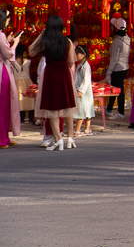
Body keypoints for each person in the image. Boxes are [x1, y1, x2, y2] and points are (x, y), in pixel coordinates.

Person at [30, 15, 76, 151]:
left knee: (53, 109)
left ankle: (58, 140)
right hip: (64, 73)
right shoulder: (67, 41)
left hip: (50, 74)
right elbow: (71, 61)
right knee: (68, 106)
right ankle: (71, 138)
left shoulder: (45, 42)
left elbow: (31, 51)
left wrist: (41, 34)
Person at [0, 11, 22, 149]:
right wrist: (14, 44)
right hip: (2, 72)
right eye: (8, 19)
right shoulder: (0, 35)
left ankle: (5, 137)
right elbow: (8, 54)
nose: (8, 21)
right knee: (4, 105)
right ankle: (2, 139)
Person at [103, 18, 131, 119]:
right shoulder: (127, 39)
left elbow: (114, 58)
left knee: (119, 90)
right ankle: (109, 108)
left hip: (118, 68)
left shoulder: (116, 42)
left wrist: (109, 72)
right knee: (115, 89)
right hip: (124, 67)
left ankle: (121, 112)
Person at [72, 45, 94, 137]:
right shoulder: (80, 65)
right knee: (85, 109)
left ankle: (78, 130)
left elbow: (86, 80)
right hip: (81, 90)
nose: (76, 55)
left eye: (77, 54)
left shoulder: (86, 66)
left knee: (82, 110)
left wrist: (80, 90)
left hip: (84, 92)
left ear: (84, 55)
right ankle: (87, 129)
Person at [14, 44, 31, 125]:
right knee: (26, 99)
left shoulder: (13, 62)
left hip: (16, 82)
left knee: (16, 99)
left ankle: (17, 117)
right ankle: (26, 117)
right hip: (27, 82)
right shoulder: (28, 62)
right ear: (24, 52)